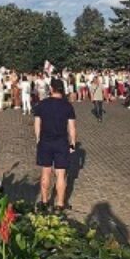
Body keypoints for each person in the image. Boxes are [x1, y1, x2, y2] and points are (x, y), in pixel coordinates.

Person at [33, 77, 77, 212]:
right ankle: (59, 204)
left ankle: (44, 201)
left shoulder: (42, 104)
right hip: (61, 142)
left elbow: (37, 124)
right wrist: (73, 144)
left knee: (45, 172)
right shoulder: (67, 106)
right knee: (61, 174)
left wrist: (38, 139)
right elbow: (72, 128)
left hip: (45, 141)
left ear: (51, 89)